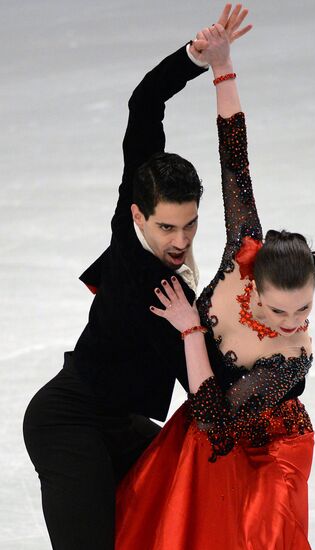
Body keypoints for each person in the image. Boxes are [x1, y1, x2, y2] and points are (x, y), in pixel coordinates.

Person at [22, 6, 243, 549]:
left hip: (119, 423)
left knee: (190, 483)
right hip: (67, 421)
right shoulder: (140, 270)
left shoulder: (162, 233)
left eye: (191, 225)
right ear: (137, 215)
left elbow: (146, 102)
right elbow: (206, 386)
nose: (181, 241)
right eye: (167, 227)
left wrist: (207, 60)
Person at [114, 8, 315, 550]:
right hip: (211, 428)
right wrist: (221, 67)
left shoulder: (292, 358)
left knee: (260, 537)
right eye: (281, 312)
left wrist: (190, 332)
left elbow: (217, 421)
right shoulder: (241, 250)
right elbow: (234, 159)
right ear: (254, 281)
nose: (293, 325)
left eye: (304, 312)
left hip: (270, 449)